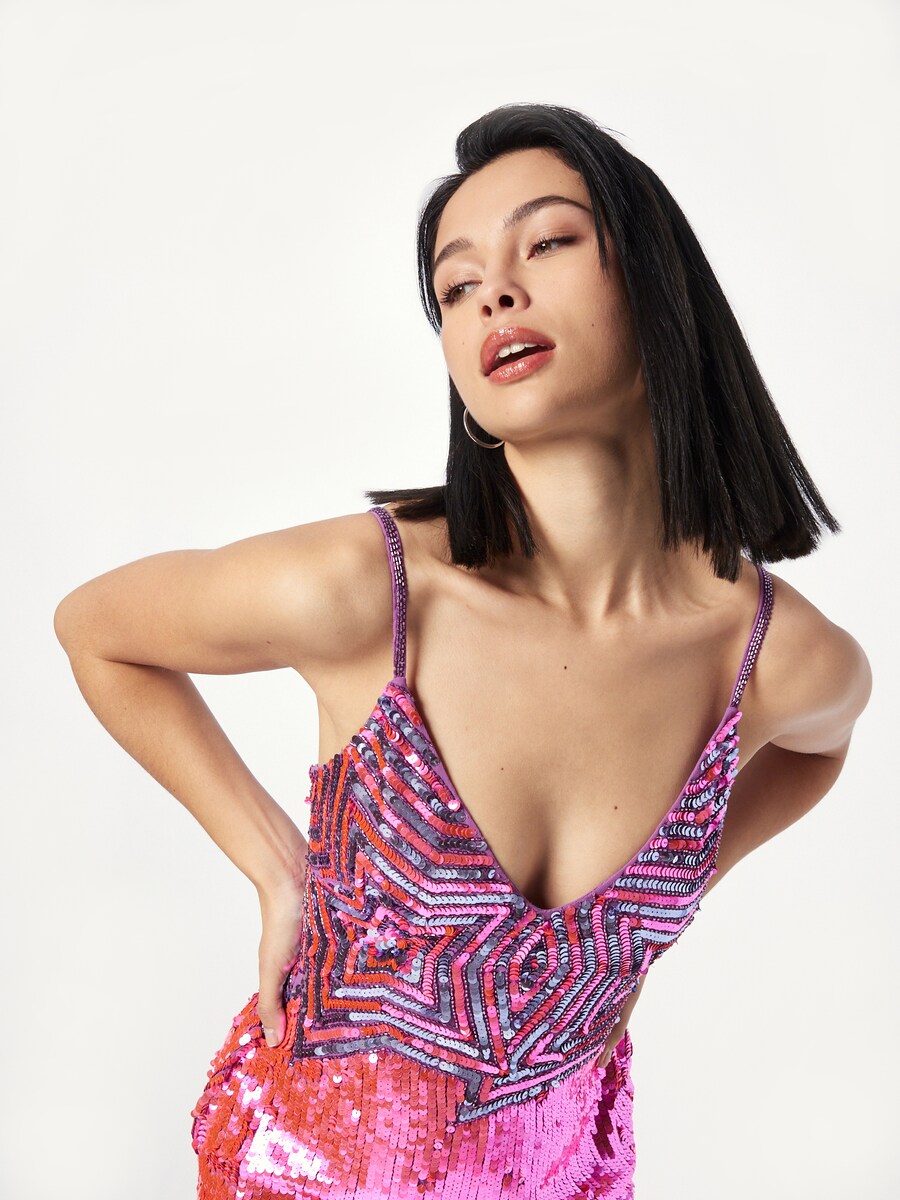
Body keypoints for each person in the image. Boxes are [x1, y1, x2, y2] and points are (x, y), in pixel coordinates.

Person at [54, 102, 872, 1199]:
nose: (494, 293)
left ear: (659, 286)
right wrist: (276, 867)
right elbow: (98, 630)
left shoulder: (772, 660)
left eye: (548, 242)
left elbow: (822, 746)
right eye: (455, 285)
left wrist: (660, 909)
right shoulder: (373, 594)